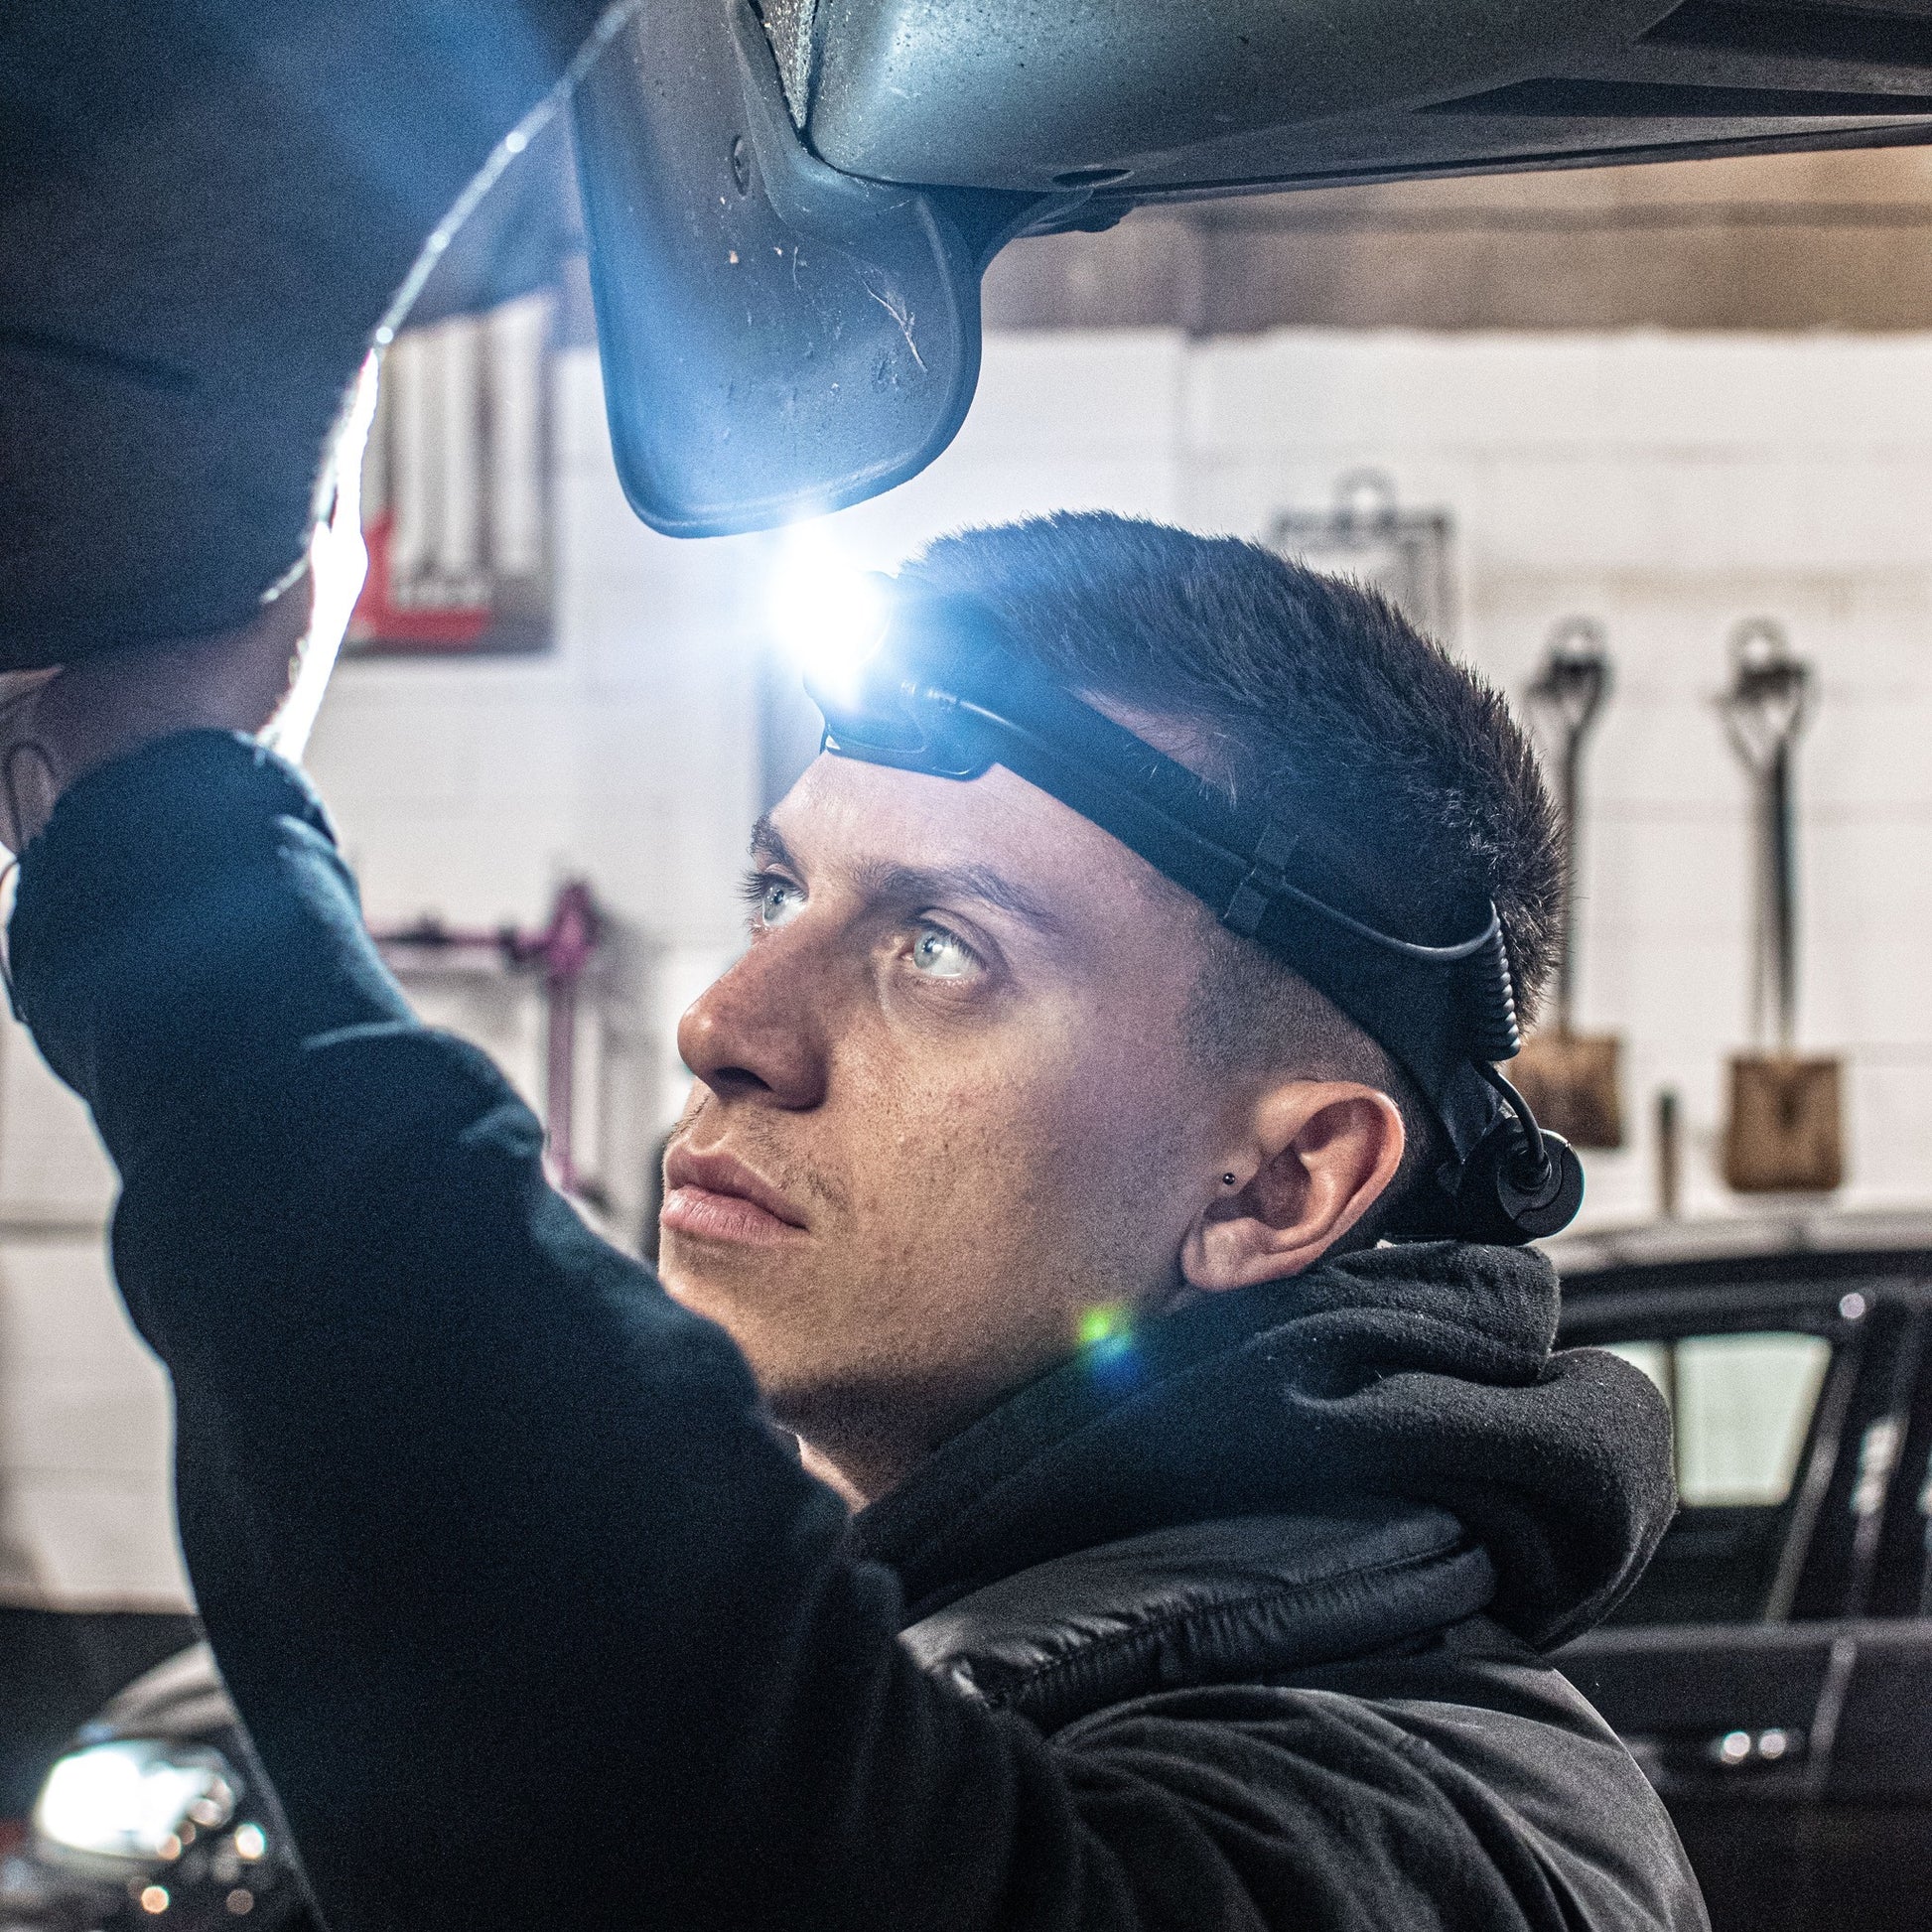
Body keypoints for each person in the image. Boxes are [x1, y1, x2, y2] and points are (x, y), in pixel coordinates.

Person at [0, 510, 1701, 1931]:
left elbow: (776, 1861)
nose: (726, 1021)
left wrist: (174, 847)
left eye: (940, 946)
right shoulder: (978, 1644)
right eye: (778, 894)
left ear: (1279, 1181)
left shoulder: (1442, 1832)